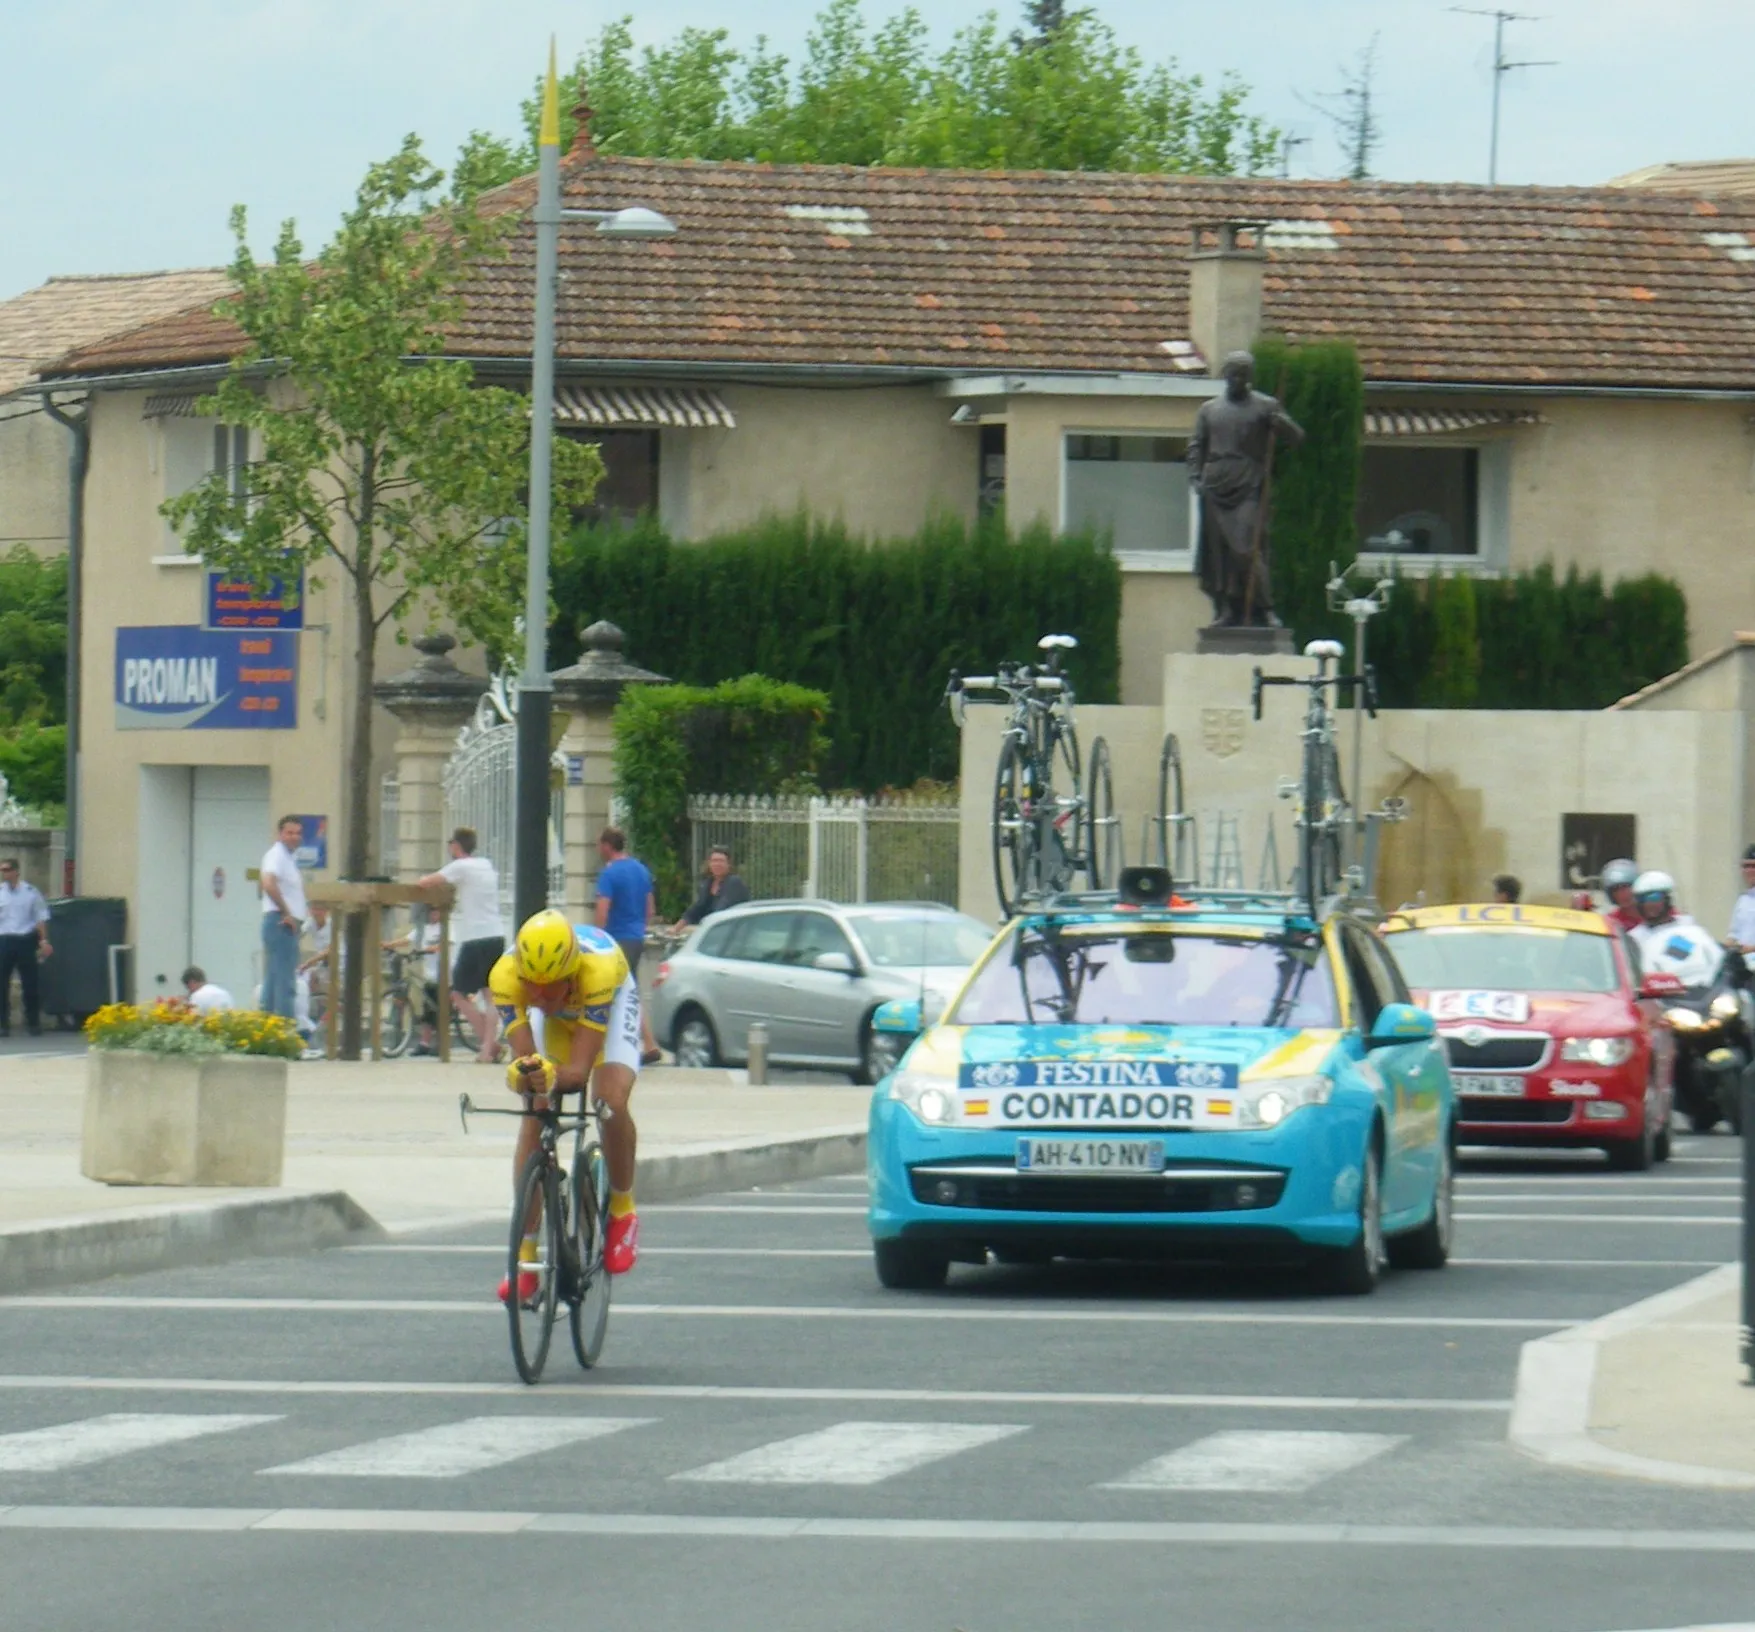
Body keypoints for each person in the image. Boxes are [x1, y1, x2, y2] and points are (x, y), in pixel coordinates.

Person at [489, 910, 645, 1300]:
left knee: (607, 1101)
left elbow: (576, 1072)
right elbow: (527, 1062)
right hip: (562, 1014)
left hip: (608, 1002)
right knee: (535, 1107)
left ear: (571, 974)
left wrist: (549, 1075)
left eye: (550, 987)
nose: (539, 997)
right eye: (532, 987)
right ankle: (525, 1258)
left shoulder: (598, 974)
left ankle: (623, 1211)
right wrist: (524, 1076)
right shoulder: (506, 978)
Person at [1185, 349, 1305, 628]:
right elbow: (1196, 446)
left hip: (1248, 482)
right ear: (1225, 375)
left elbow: (1297, 437)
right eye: (1233, 374)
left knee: (1245, 549)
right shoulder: (1209, 409)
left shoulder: (1265, 406)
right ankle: (1227, 609)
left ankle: (1266, 608)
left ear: (1250, 377)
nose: (1238, 380)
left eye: (1244, 375)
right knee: (1220, 553)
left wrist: (1281, 424)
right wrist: (1195, 477)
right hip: (1215, 485)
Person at [417, 828, 505, 1065]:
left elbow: (426, 882)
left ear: (456, 846)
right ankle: (489, 1046)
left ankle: (489, 1045)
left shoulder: (460, 866)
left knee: (457, 993)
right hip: (496, 935)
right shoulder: (486, 865)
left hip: (475, 937)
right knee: (490, 995)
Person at [593, 826, 662, 1064]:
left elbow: (603, 908)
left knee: (606, 991)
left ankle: (618, 1044)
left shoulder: (609, 874)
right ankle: (646, 1043)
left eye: (599, 845)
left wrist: (597, 938)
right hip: (636, 938)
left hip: (615, 939)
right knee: (627, 989)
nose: (597, 849)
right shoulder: (641, 870)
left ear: (607, 846)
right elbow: (650, 908)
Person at [1628, 870, 1723, 988]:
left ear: (1667, 899)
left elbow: (1708, 952)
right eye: (1643, 900)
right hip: (1663, 995)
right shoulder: (1634, 938)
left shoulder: (1688, 924)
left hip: (1703, 986)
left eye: (1654, 898)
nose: (1649, 904)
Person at [258, 815, 307, 1020]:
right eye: (289, 832)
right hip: (281, 923)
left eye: (298, 833)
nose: (294, 837)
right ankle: (285, 1032)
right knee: (285, 983)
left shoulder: (289, 858)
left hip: (281, 923)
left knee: (273, 980)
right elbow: (268, 883)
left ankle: (266, 1029)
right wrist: (287, 912)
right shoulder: (276, 855)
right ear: (280, 834)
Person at [0, 857, 52, 1038]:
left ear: (16, 871)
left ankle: (33, 1023)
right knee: (1, 985)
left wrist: (43, 941)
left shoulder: (30, 892)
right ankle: (2, 1025)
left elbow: (40, 917)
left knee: (30, 983)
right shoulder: (0, 892)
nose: (4, 874)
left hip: (25, 940)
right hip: (4, 940)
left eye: (7, 870)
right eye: (2, 870)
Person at [672, 846, 750, 933]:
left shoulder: (734, 882)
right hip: (714, 930)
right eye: (714, 861)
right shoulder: (707, 883)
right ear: (709, 864)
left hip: (733, 931)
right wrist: (677, 927)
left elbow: (723, 908)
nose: (717, 864)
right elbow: (697, 908)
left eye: (721, 861)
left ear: (729, 864)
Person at [1601, 858, 1642, 933]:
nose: (1622, 894)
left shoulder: (1653, 915)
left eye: (1625, 887)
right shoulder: (1611, 921)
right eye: (1616, 889)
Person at [1727, 845, 1755, 954]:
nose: (1749, 870)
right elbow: (1733, 934)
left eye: (1753, 866)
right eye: (1746, 866)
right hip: (1743, 963)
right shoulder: (1743, 900)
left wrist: (1750, 949)